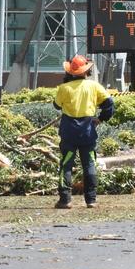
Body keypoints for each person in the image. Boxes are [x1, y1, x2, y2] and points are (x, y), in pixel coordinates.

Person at [53, 55, 114, 209]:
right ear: (86, 71)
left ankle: (65, 200)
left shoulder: (63, 88)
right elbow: (109, 104)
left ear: (70, 72)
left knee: (66, 165)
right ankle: (91, 200)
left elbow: (56, 105)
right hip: (87, 129)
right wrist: (101, 118)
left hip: (68, 130)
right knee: (89, 164)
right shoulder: (94, 86)